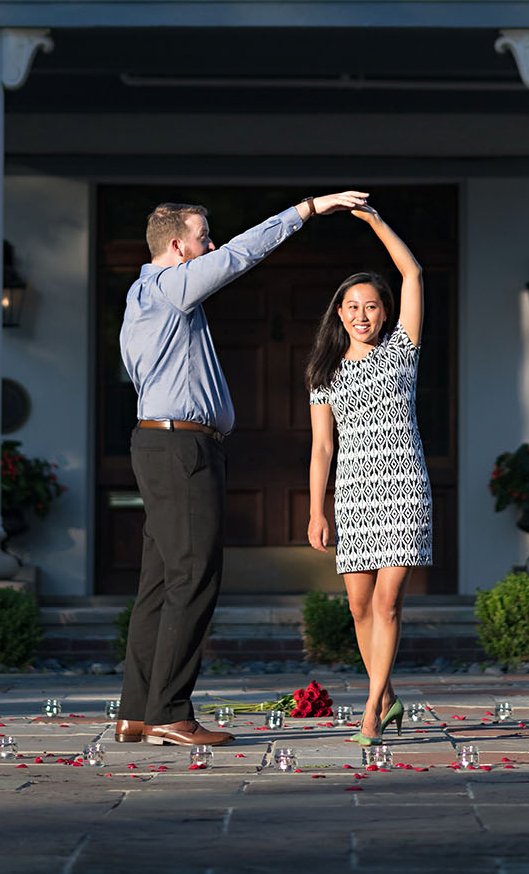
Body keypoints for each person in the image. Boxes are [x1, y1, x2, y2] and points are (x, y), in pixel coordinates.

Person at [117, 189, 369, 748]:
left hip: (158, 444)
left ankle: (137, 710)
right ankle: (168, 712)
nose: (212, 247)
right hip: (181, 448)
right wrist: (305, 210)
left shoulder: (143, 296)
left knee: (160, 581)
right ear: (179, 247)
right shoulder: (170, 286)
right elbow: (240, 256)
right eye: (203, 238)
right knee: (193, 577)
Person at [306, 205, 430, 745]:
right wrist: (316, 510)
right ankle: (388, 693)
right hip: (355, 495)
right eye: (351, 306)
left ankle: (371, 710)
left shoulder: (403, 351)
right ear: (339, 313)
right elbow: (321, 447)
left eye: (371, 306)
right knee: (358, 605)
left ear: (385, 314)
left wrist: (375, 223)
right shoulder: (323, 372)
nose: (362, 314)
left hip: (404, 486)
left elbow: (413, 274)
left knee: (388, 602)